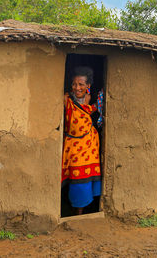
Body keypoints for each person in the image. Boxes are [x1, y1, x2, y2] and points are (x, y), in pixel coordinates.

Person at [62, 66, 101, 215]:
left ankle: (81, 211)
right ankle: (73, 208)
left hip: (89, 143)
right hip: (73, 143)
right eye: (74, 84)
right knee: (76, 176)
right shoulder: (67, 99)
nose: (77, 88)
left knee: (86, 178)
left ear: (88, 86)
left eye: (81, 84)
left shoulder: (89, 99)